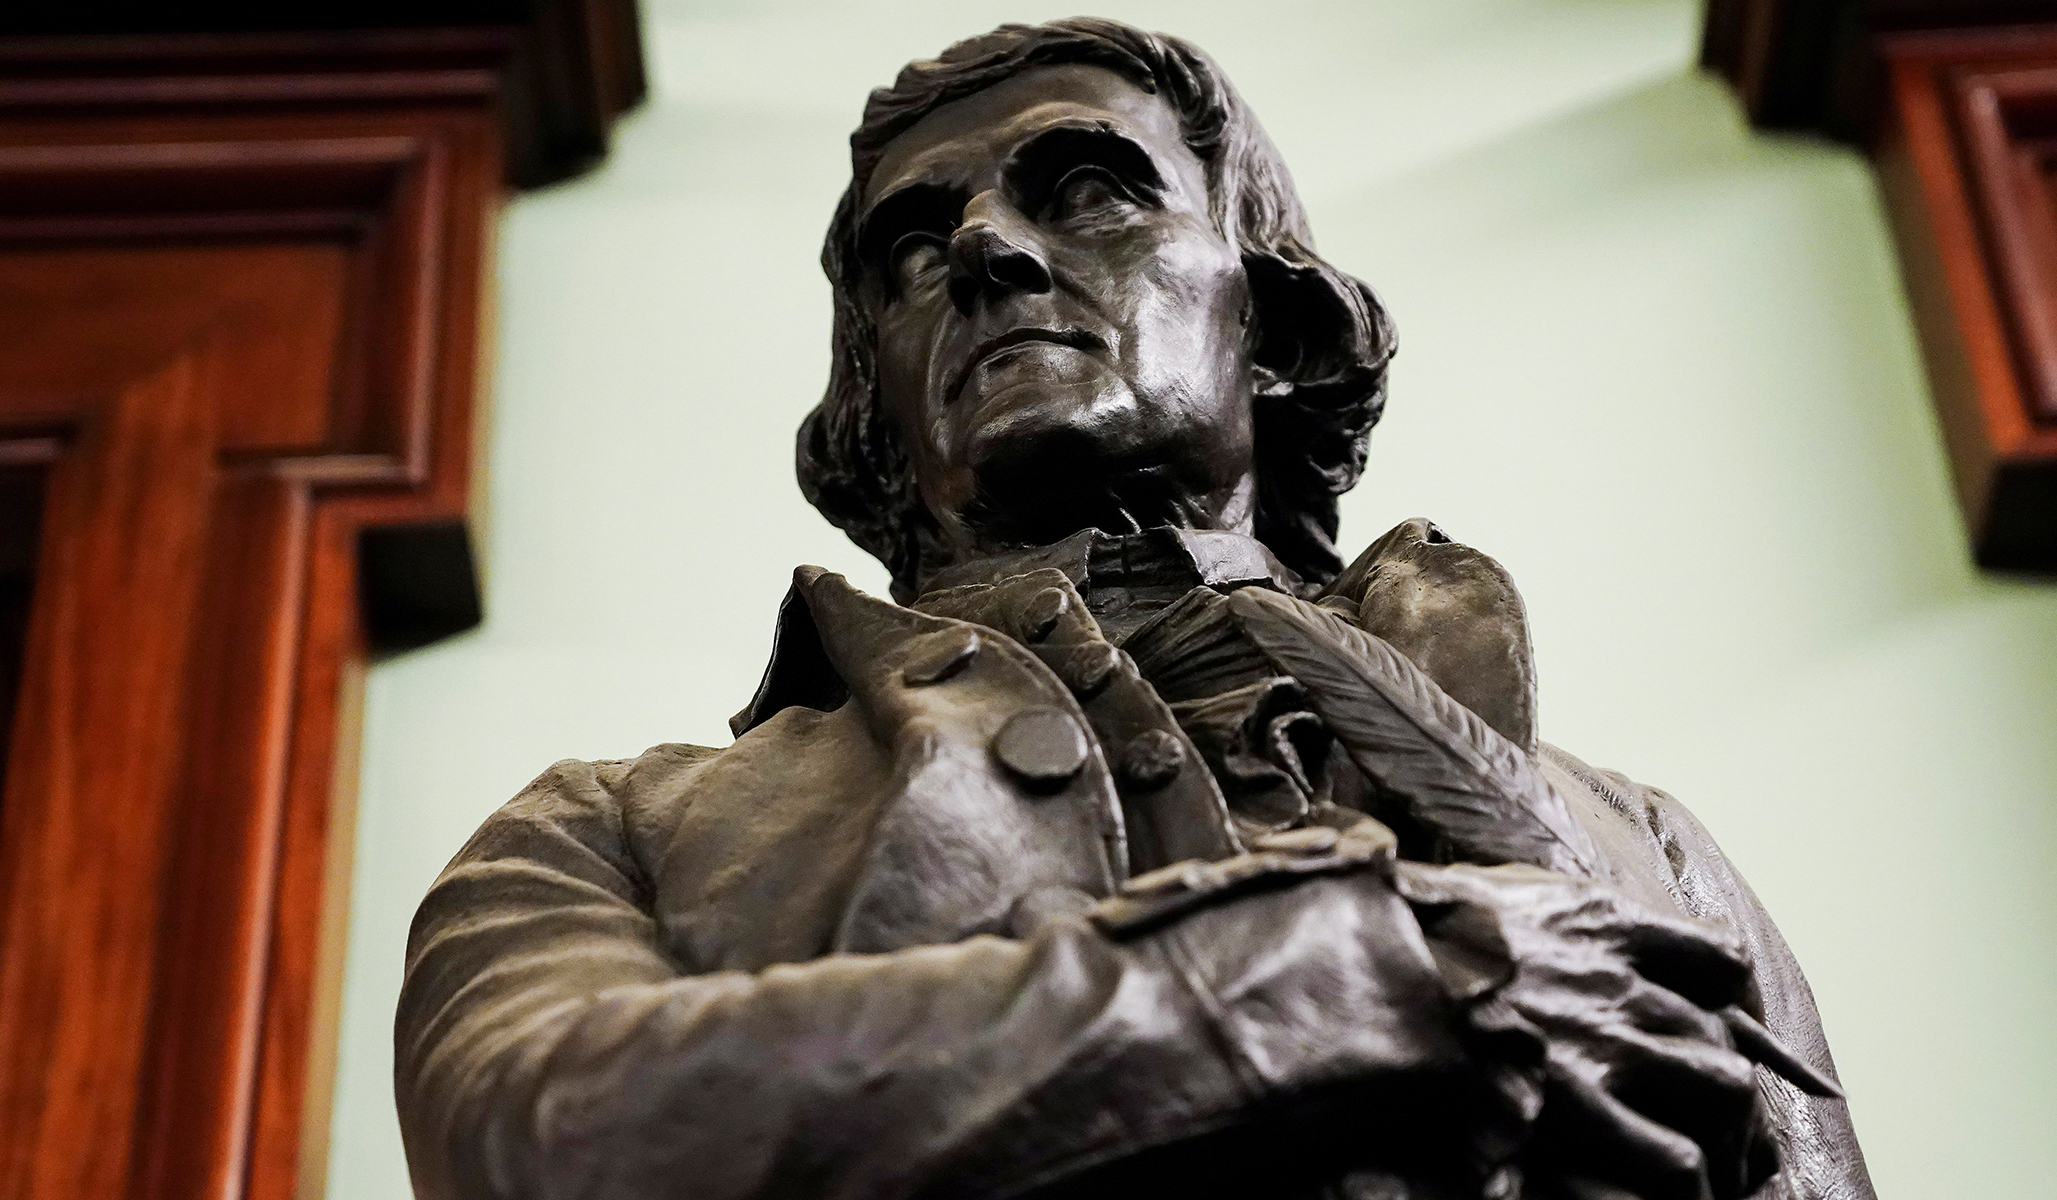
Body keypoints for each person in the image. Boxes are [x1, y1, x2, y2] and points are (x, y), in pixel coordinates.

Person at [396, 20, 1873, 1200]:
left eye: (1091, 190)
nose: (983, 250)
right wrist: (1372, 975)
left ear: (1272, 325)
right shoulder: (619, 833)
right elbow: (548, 1135)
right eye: (911, 253)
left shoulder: (1646, 848)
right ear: (875, 414)